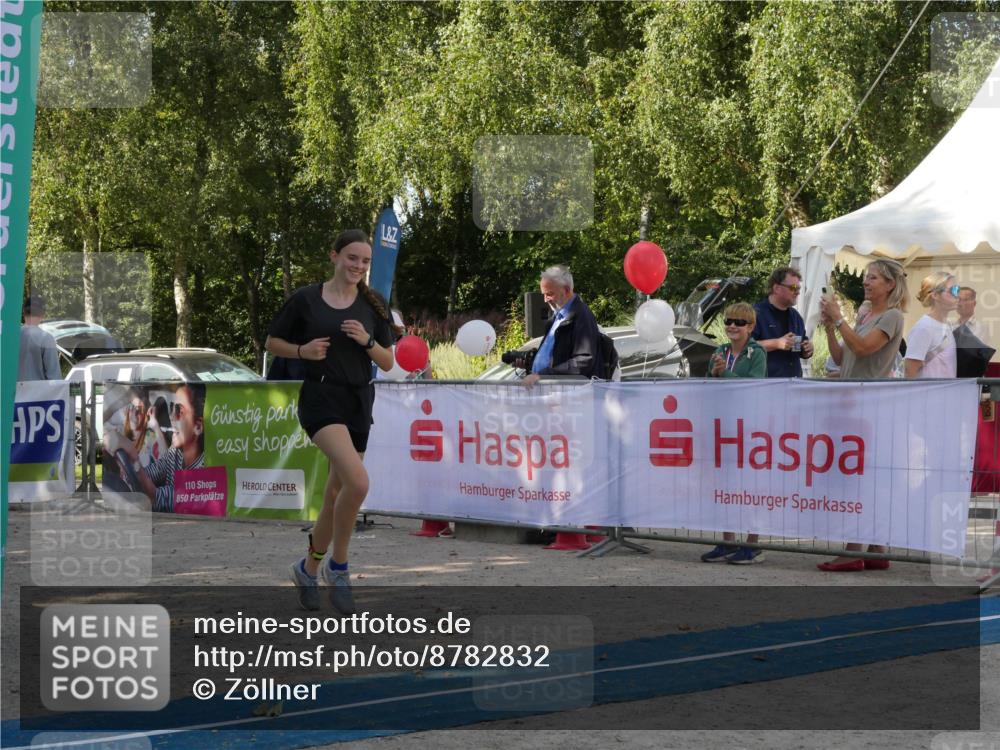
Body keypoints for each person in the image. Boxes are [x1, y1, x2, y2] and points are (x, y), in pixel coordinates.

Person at [265, 229, 401, 612]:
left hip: (359, 400)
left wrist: (367, 342)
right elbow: (271, 342)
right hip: (321, 398)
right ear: (335, 256)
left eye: (365, 261)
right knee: (358, 482)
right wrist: (302, 351)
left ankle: (307, 569)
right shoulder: (306, 299)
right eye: (352, 258)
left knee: (335, 495)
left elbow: (389, 362)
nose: (358, 266)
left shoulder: (374, 305)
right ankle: (338, 566)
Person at [817, 258, 908, 572]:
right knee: (863, 478)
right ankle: (876, 548)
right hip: (854, 405)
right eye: (866, 277)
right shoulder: (869, 316)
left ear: (890, 285)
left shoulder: (893, 316)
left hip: (867, 408)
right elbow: (843, 357)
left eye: (873, 278)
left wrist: (840, 319)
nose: (866, 282)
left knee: (859, 480)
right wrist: (831, 327)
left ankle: (854, 549)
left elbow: (866, 349)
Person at [701, 303, 768, 564]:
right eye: (729, 321)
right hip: (724, 425)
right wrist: (713, 372)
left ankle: (753, 544)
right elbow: (711, 383)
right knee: (724, 484)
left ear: (750, 327)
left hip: (750, 427)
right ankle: (728, 541)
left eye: (739, 322)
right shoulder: (720, 350)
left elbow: (753, 385)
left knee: (751, 486)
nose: (732, 326)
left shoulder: (757, 352)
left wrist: (724, 372)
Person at [520, 265, 601, 389]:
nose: (545, 300)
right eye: (543, 294)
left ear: (567, 290)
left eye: (550, 294)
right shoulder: (557, 317)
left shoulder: (581, 315)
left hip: (566, 398)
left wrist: (542, 375)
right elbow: (557, 356)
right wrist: (529, 363)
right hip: (551, 394)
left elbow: (584, 360)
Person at [136, 383, 206, 513]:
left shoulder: (204, 469)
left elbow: (156, 498)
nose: (171, 416)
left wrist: (131, 457)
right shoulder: (175, 453)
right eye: (171, 408)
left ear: (198, 427)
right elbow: (152, 472)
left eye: (179, 410)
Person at [751, 267, 813, 377]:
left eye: (799, 288)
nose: (798, 292)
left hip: (794, 384)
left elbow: (799, 348)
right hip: (766, 385)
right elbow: (743, 348)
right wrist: (776, 343)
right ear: (776, 288)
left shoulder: (796, 317)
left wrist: (807, 349)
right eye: (793, 288)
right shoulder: (755, 313)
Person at [905, 272, 959, 379]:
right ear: (935, 295)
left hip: (945, 394)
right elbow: (910, 371)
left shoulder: (947, 325)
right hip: (928, 395)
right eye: (953, 290)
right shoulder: (924, 327)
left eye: (957, 289)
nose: (957, 294)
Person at [18, 295, 60, 381]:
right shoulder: (46, 338)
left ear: (23, 312)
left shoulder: (10, 337)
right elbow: (54, 377)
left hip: (10, 393)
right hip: (38, 393)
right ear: (42, 315)